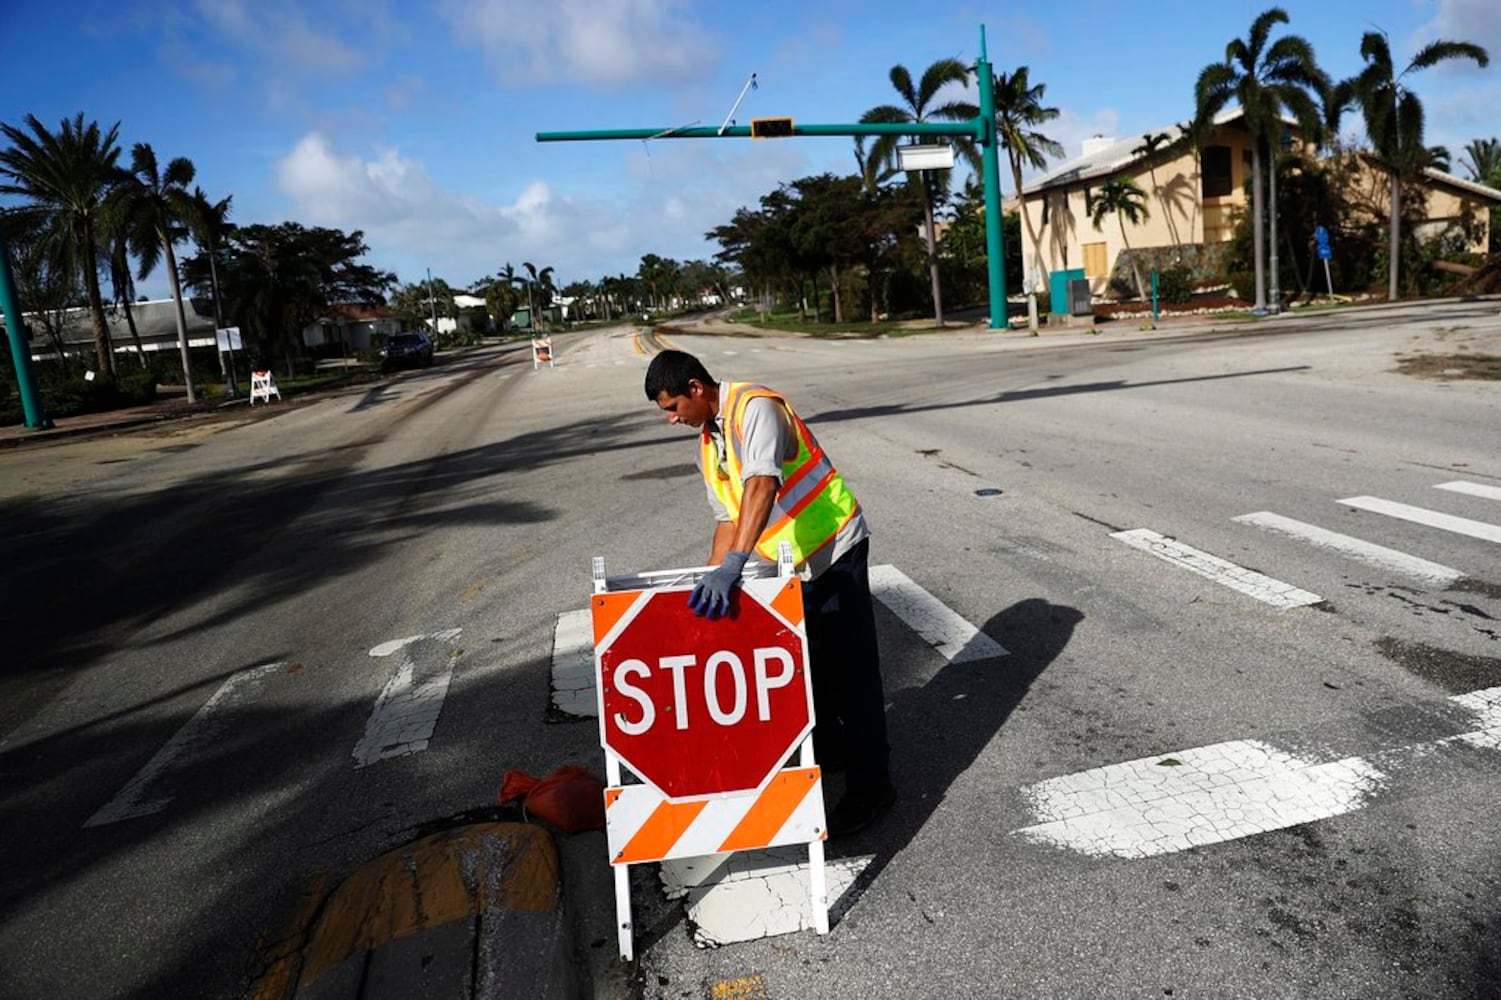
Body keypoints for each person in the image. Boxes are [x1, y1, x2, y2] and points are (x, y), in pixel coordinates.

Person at [644, 349, 894, 837]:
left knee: (853, 675)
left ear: (696, 388)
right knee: (812, 670)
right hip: (794, 567)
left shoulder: (754, 407)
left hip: (833, 549)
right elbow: (727, 517)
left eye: (673, 407)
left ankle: (874, 787)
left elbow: (762, 483)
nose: (672, 419)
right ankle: (838, 752)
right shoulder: (709, 440)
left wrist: (737, 564)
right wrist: (709, 581)